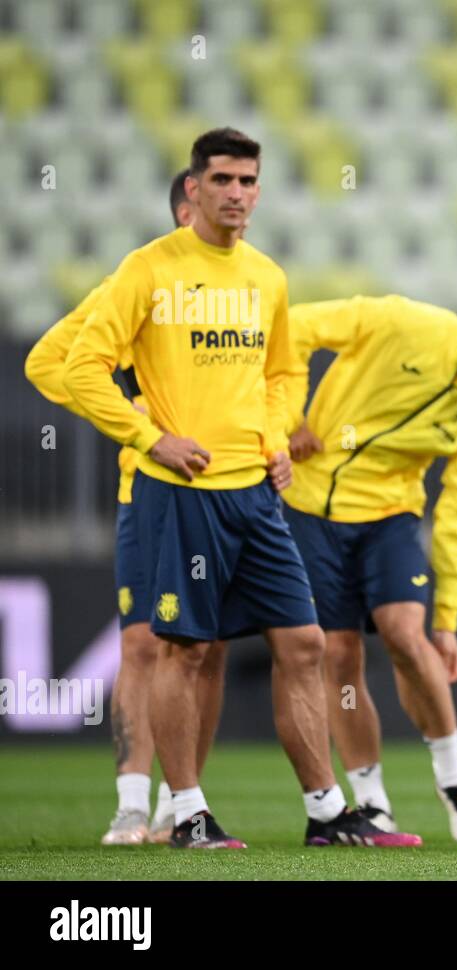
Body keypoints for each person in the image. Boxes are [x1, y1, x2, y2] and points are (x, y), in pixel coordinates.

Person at [63, 127, 418, 849]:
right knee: (183, 650)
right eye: (222, 180)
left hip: (255, 493)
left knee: (305, 641)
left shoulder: (266, 277)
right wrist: (149, 438)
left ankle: (325, 813)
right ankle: (185, 810)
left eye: (248, 181)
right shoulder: (148, 270)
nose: (236, 194)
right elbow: (79, 368)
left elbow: (285, 372)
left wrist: (274, 434)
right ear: (193, 189)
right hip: (180, 491)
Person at [280, 283, 457, 841]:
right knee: (338, 654)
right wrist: (288, 418)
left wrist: (448, 618)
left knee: (406, 635)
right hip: (309, 506)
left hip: (390, 515)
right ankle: (372, 805)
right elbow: (293, 330)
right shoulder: (400, 322)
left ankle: (454, 780)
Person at [25, 170, 228, 846]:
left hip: (223, 492)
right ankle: (131, 805)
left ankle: (183, 801)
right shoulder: (138, 281)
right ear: (183, 209)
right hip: (147, 491)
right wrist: (131, 419)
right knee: (143, 642)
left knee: (205, 646)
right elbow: (48, 362)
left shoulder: (237, 289)